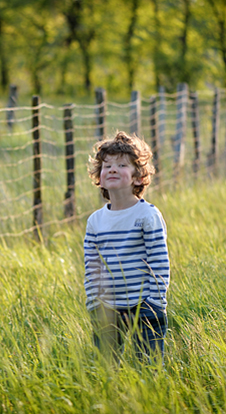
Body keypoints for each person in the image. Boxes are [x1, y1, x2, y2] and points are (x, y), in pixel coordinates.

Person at [83, 131, 170, 363]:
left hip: (145, 305)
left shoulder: (147, 215)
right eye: (106, 165)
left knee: (148, 364)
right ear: (99, 178)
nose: (112, 169)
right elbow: (93, 267)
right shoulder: (95, 221)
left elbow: (159, 262)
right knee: (106, 367)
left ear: (138, 177)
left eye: (121, 165)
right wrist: (94, 303)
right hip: (108, 308)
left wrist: (156, 301)